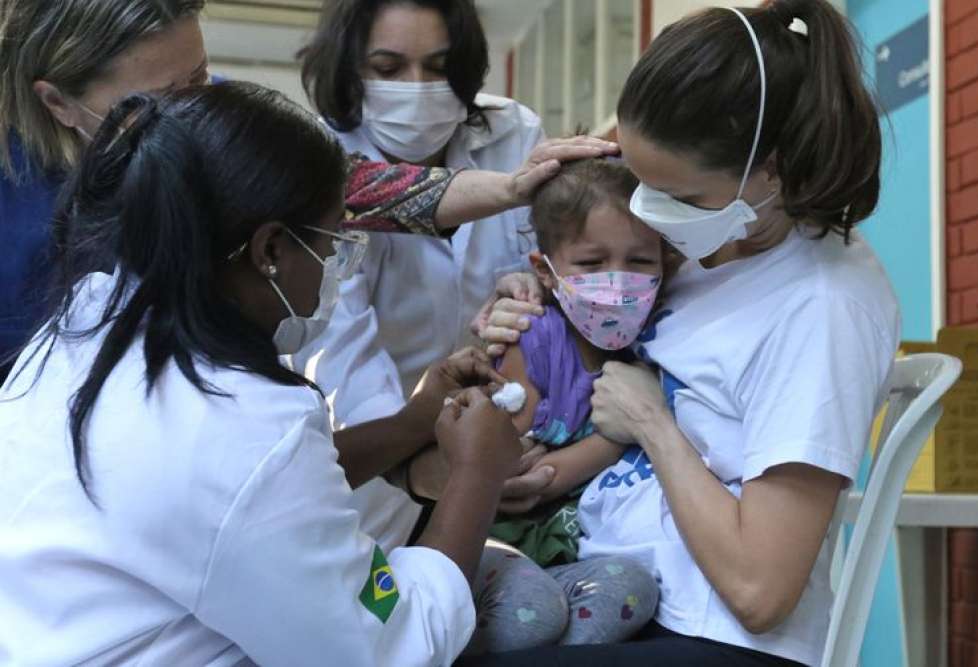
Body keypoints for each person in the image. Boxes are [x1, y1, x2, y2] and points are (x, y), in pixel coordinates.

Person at [0, 82, 526, 666]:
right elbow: (387, 646)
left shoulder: (94, 313)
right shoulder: (238, 429)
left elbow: (247, 504)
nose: (338, 262)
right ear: (270, 249)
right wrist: (479, 475)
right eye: (334, 242)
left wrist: (412, 423)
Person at [463, 2, 900, 665]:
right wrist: (532, 293)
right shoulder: (710, 244)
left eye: (683, 199)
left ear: (774, 169)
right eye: (643, 184)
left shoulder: (822, 306)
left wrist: (651, 423)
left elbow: (761, 589)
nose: (655, 221)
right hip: (612, 583)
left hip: (711, 631)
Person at [0, 0, 612, 385]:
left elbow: (346, 187)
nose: (195, 112)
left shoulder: (216, 118)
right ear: (57, 100)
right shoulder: (18, 192)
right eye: (165, 98)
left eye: (201, 78)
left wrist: (509, 187)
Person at [296, 0, 550, 552]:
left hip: (505, 429)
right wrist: (432, 461)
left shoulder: (513, 133)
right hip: (380, 455)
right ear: (349, 71)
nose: (418, 86)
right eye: (388, 69)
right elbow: (344, 355)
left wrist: (525, 288)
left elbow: (537, 267)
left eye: (438, 67)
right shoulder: (317, 161)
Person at [465, 159, 669, 655]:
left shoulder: (658, 341)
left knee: (633, 589)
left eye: (640, 262)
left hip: (571, 556)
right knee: (535, 611)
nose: (618, 283)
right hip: (492, 545)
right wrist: (621, 432)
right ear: (546, 271)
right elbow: (525, 481)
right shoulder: (530, 338)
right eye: (592, 263)